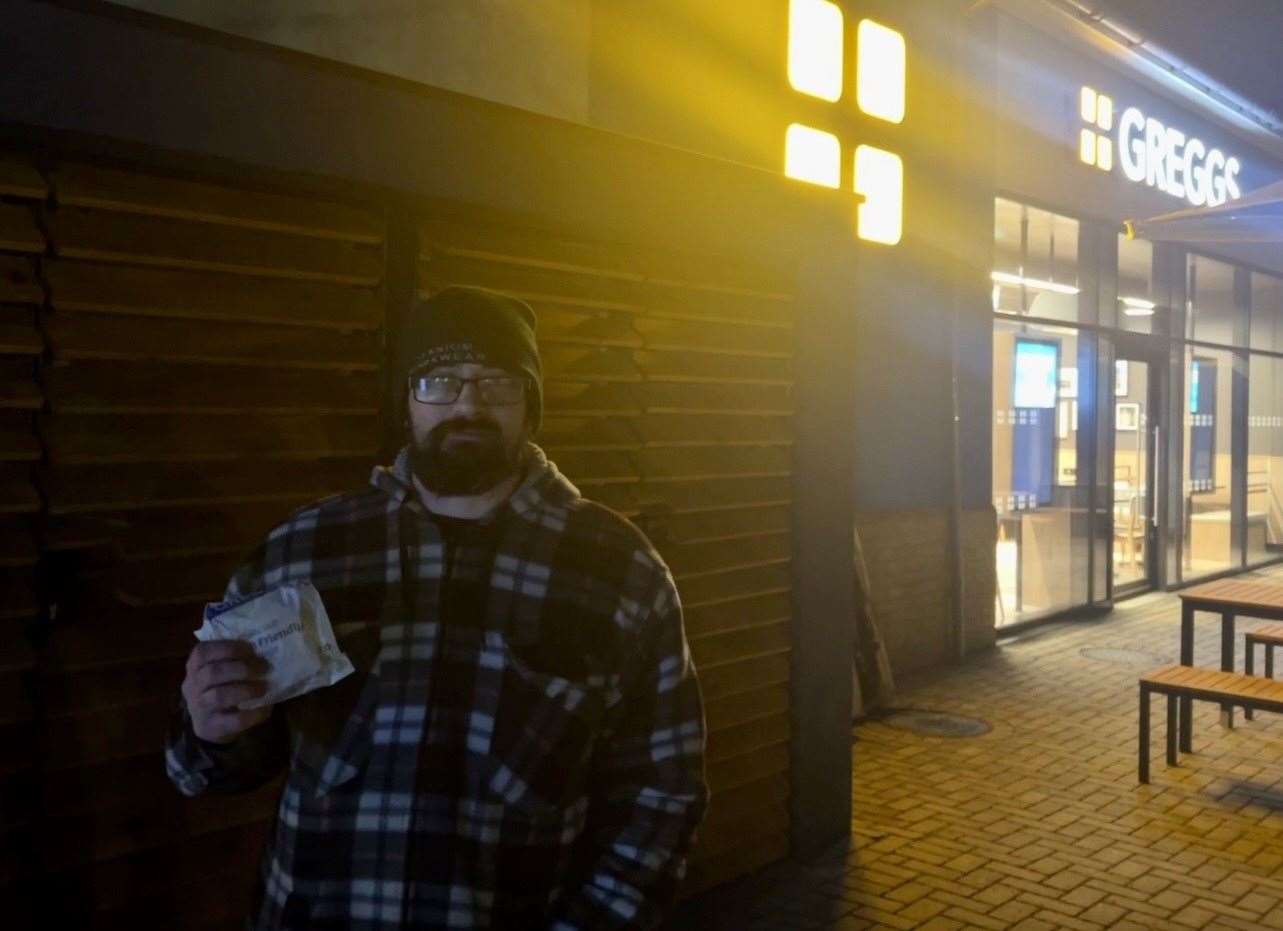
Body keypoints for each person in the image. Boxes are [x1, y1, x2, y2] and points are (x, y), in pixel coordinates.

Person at [165, 286, 708, 930]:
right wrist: (214, 730)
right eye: (439, 381)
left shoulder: (620, 569)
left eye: (498, 383)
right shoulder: (304, 550)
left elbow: (663, 792)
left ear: (531, 406)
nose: (469, 404)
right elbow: (205, 770)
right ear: (406, 402)